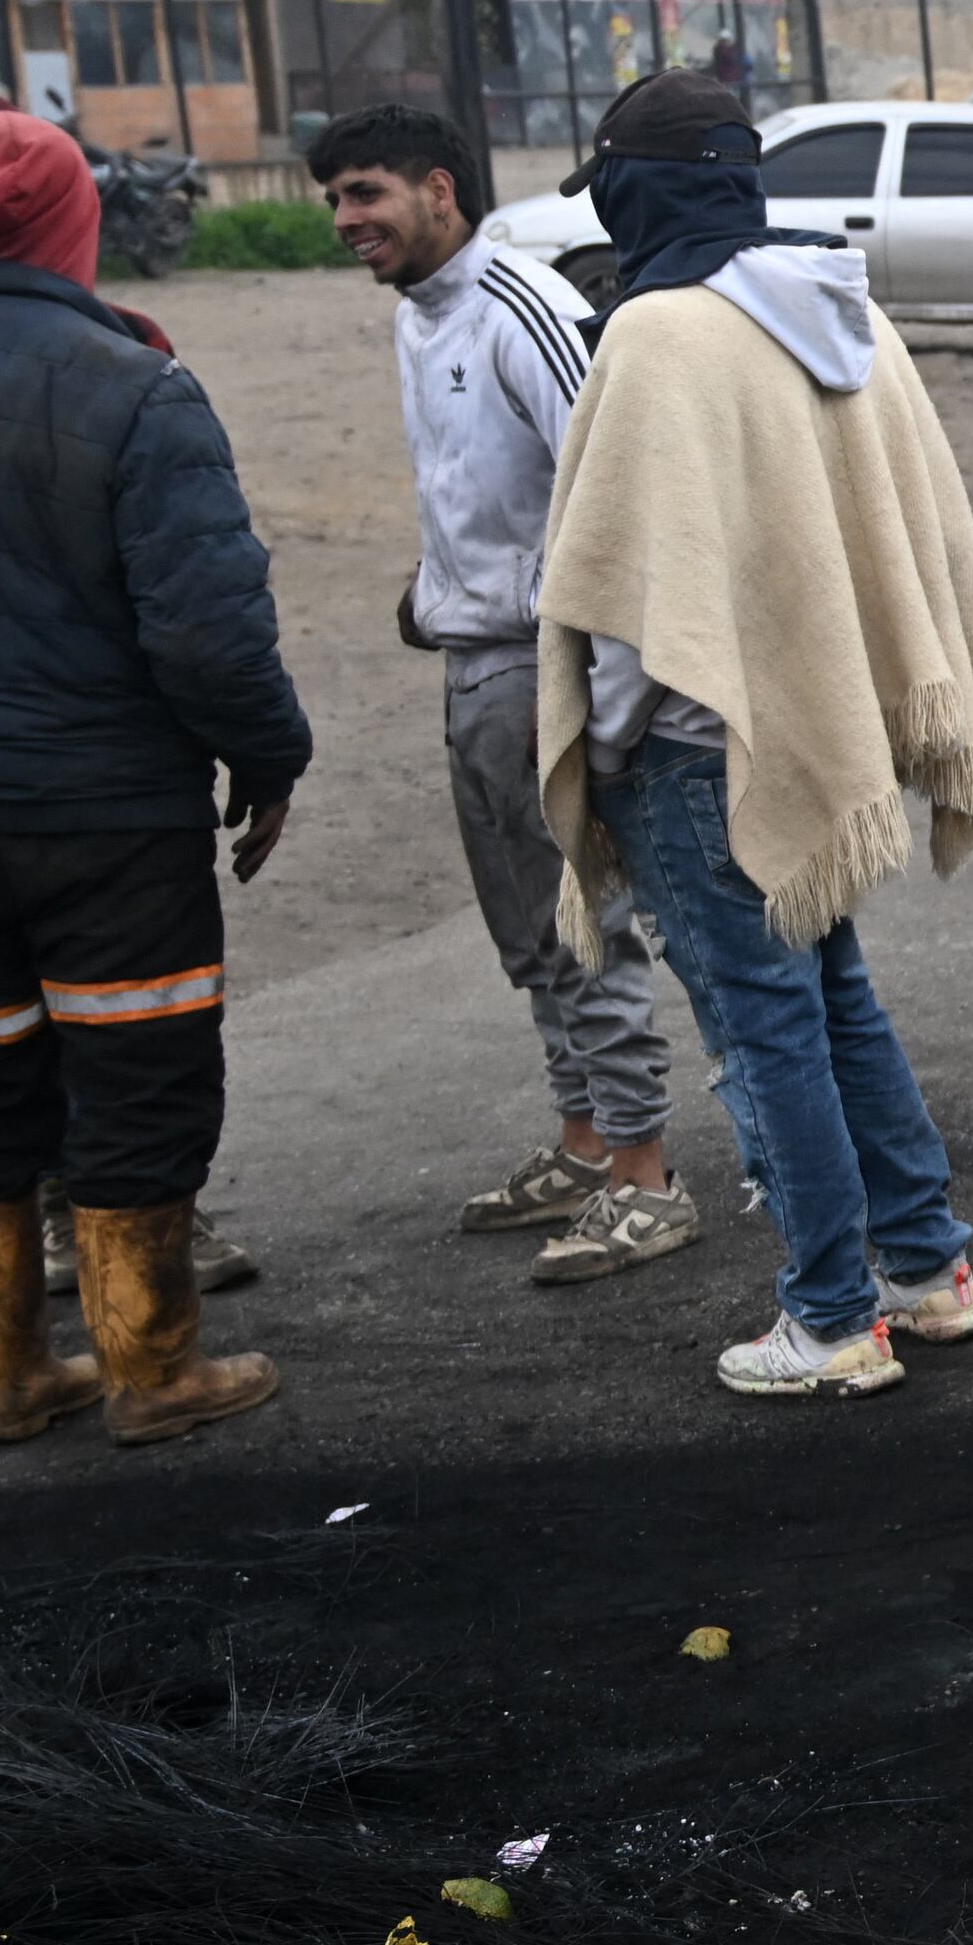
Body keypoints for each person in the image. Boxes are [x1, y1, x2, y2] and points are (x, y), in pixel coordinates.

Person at [530, 72, 973, 1398]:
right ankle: (926, 1270)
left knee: (766, 1031)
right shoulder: (836, 307)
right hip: (824, 731)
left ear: (644, 187)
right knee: (832, 1002)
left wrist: (613, 751)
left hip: (701, 751)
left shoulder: (659, 333)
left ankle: (829, 1317)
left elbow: (633, 594)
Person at [0, 113, 307, 1446]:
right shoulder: (134, 384)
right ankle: (151, 1372)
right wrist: (269, 758)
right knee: (139, 1074)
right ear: (72, 225)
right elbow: (209, 626)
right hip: (109, 815)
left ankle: (13, 1376)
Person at [311, 101, 693, 1284]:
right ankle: (584, 1144)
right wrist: (434, 593)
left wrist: (612, 697)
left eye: (365, 193)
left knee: (585, 926)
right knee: (526, 931)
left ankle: (647, 1174)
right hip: (471, 665)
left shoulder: (523, 306)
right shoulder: (420, 322)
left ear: (440, 188)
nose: (345, 220)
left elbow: (614, 493)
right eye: (334, 200)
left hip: (544, 668)